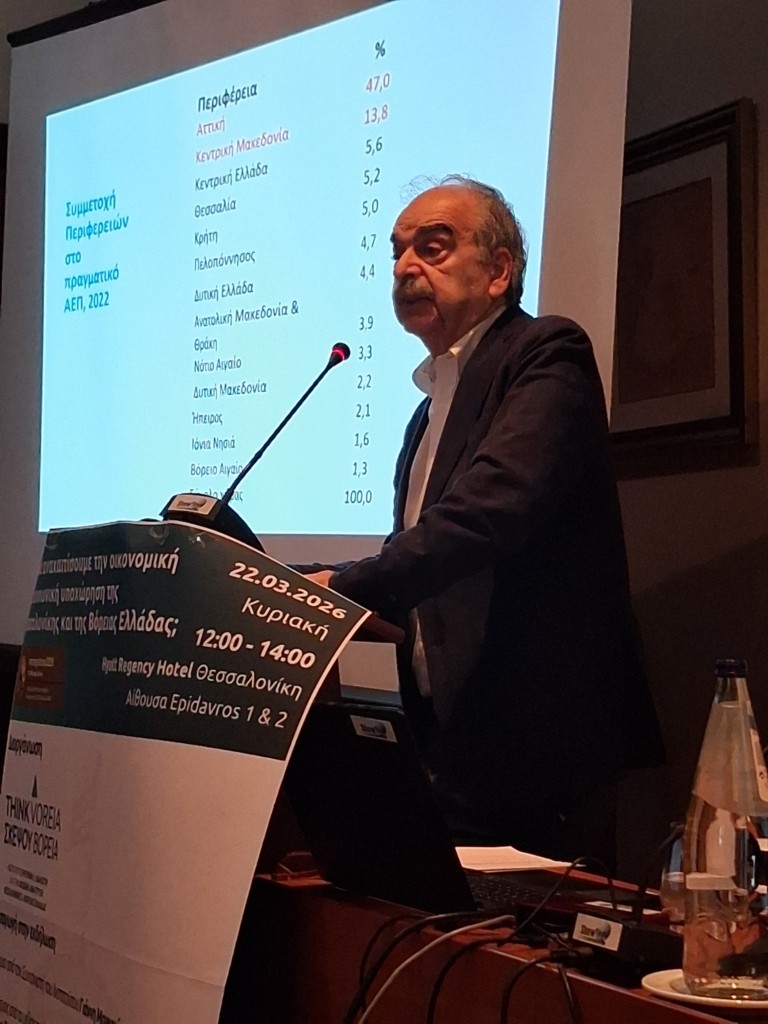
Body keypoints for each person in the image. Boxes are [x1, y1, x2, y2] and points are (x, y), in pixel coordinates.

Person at [308, 176, 663, 864]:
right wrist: (318, 596)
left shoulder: (545, 353)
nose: (405, 267)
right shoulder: (425, 414)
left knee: (530, 936)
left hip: (541, 747)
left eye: (433, 247)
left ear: (499, 271)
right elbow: (423, 564)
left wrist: (348, 586)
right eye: (396, 251)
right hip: (451, 745)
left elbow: (492, 510)